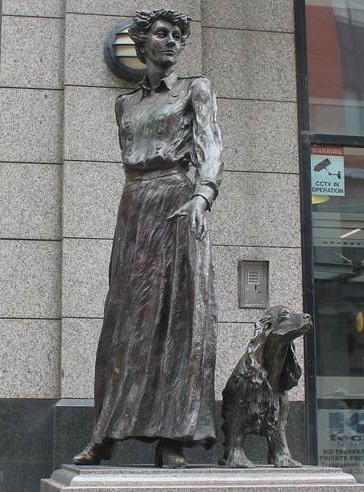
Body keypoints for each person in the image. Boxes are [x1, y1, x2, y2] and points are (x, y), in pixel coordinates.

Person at [72, 8, 222, 468]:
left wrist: (202, 195)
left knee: (179, 318)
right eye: (163, 34)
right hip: (135, 206)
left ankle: (173, 437)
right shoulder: (125, 105)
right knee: (124, 320)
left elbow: (210, 144)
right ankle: (107, 433)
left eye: (179, 35)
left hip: (179, 202)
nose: (173, 41)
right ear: (142, 43)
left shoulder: (195, 90)